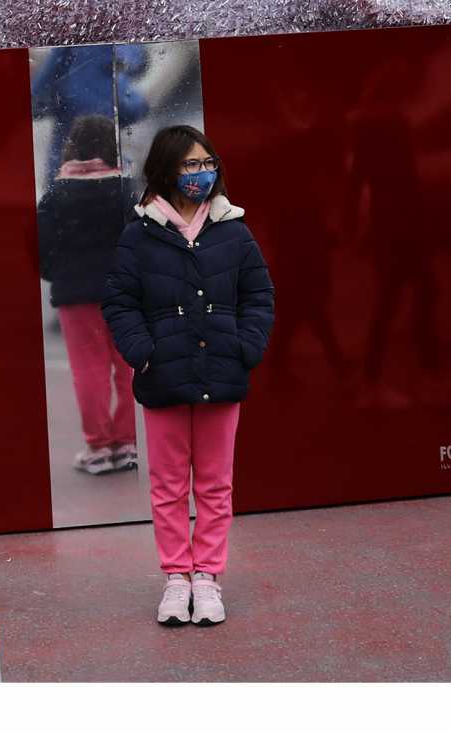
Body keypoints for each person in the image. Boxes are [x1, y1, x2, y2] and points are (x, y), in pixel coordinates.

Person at [103, 124, 274, 628]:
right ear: (165, 170)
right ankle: (177, 578)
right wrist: (144, 354)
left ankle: (208, 578)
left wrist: (246, 348)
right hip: (165, 379)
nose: (201, 174)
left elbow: (260, 297)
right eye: (190, 165)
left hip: (222, 374)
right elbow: (119, 302)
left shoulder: (233, 229)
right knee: (169, 486)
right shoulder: (140, 233)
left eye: (207, 163)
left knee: (216, 486)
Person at [38, 116, 137, 476]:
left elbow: (40, 247)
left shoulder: (55, 195)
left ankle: (97, 448)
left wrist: (58, 274)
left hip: (75, 296)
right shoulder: (126, 190)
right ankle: (127, 443)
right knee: (126, 369)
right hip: (124, 294)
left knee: (88, 371)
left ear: (73, 148)